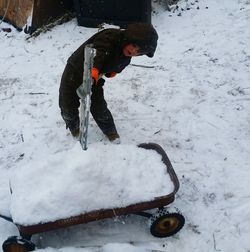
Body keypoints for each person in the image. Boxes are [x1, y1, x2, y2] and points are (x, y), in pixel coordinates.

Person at [59, 23, 158, 143]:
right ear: (129, 37)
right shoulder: (110, 36)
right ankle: (74, 128)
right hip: (75, 70)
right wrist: (94, 70)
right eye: (134, 45)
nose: (133, 51)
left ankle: (110, 130)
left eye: (139, 52)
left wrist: (112, 72)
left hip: (95, 79)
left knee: (99, 106)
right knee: (67, 103)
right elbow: (99, 51)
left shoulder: (126, 56)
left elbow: (119, 66)